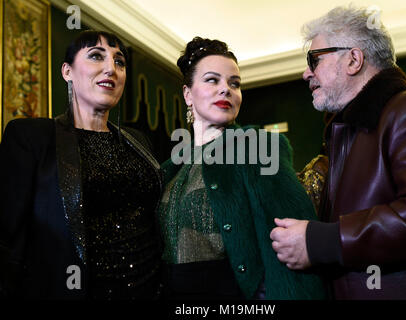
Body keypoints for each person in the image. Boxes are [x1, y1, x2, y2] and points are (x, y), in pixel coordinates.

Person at [270, 5, 406, 300]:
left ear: (353, 59)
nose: (306, 73)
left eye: (314, 60)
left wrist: (321, 241)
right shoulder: (347, 134)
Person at [158, 36, 326, 300]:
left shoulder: (258, 147)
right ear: (188, 94)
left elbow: (293, 241)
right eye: (212, 80)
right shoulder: (170, 168)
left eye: (234, 84)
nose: (226, 89)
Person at [0, 30, 163, 299]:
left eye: (119, 62)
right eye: (96, 57)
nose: (111, 68)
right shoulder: (32, 137)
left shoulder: (139, 141)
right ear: (67, 71)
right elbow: (6, 239)